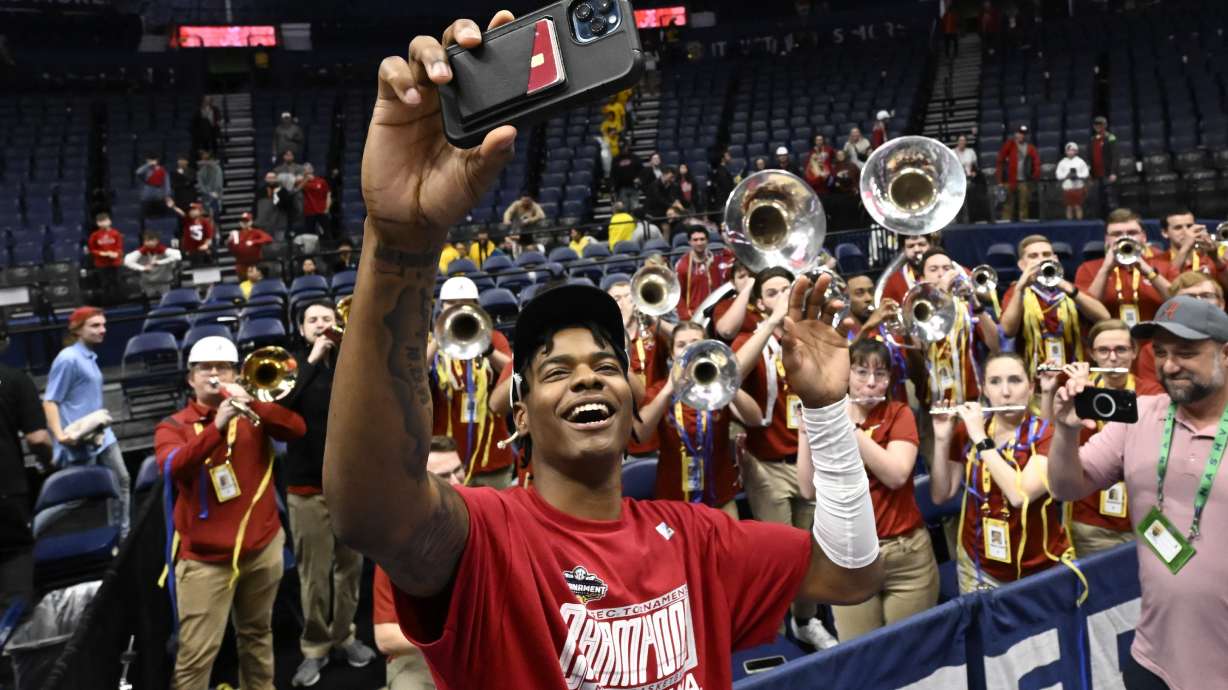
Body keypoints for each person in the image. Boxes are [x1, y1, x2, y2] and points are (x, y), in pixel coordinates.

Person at [324, 21, 883, 688]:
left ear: (629, 404)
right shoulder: (490, 538)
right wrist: (400, 242)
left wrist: (824, 408)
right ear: (522, 416)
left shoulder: (699, 539)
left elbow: (850, 574)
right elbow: (369, 507)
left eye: (606, 365)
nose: (588, 376)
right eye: (555, 371)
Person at [1048, 295, 1228, 690]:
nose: (1168, 365)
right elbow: (1066, 487)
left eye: (1186, 352)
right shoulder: (1138, 414)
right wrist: (1065, 430)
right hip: (1153, 661)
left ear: (1225, 354)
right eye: (1160, 352)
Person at [154, 336, 306, 690]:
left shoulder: (252, 415)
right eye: (205, 367)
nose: (214, 373)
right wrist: (217, 427)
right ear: (191, 378)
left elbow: (296, 429)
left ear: (236, 374)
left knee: (257, 636)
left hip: (262, 550)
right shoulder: (173, 426)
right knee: (196, 654)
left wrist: (252, 400)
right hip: (206, 562)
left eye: (222, 367)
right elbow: (172, 467)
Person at [800, 339, 938, 640]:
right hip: (849, 557)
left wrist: (847, 427)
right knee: (861, 658)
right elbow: (808, 490)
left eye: (881, 375)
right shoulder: (827, 419)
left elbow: (896, 475)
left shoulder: (899, 413)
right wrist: (806, 429)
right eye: (861, 372)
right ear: (847, 376)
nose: (871, 383)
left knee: (912, 655)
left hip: (906, 553)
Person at [732, 267, 840, 650]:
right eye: (772, 291)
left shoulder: (808, 336)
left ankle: (805, 620)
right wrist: (770, 326)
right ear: (760, 302)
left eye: (786, 290)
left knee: (810, 549)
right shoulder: (751, 339)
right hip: (767, 465)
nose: (780, 296)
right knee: (779, 555)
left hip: (808, 461)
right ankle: (773, 635)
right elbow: (731, 374)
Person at [280, 301, 377, 685]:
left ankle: (345, 635)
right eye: (313, 320)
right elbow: (282, 406)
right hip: (306, 489)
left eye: (328, 319)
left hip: (350, 488)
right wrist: (313, 359)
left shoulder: (353, 364)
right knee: (314, 577)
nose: (321, 325)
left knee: (349, 571)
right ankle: (315, 648)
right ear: (302, 330)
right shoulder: (291, 368)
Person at [931, 352, 1070, 592]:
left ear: (1030, 387)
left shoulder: (1046, 435)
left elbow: (1020, 497)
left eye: (1015, 380)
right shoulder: (968, 431)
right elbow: (941, 495)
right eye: (995, 382)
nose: (1005, 392)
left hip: (1040, 567)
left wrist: (980, 438)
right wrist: (942, 440)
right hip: (978, 567)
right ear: (984, 388)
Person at [633, 321, 765, 512]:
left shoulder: (719, 388)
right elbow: (640, 435)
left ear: (706, 348)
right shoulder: (660, 390)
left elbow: (755, 419)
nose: (689, 349)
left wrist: (728, 383)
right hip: (673, 501)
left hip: (720, 498)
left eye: (696, 342)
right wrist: (668, 390)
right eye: (681, 345)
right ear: (672, 353)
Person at [371, 435, 466, 690]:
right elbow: (385, 638)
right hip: (419, 658)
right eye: (445, 477)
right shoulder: (397, 547)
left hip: (474, 653)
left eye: (459, 472)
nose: (457, 483)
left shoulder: (486, 527)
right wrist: (457, 637)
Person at [42, 307, 130, 535]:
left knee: (121, 481)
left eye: (103, 324)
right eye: (95, 325)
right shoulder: (68, 359)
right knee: (77, 497)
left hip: (102, 434)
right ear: (78, 330)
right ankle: (33, 527)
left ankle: (123, 535)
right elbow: (50, 401)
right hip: (80, 438)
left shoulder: (89, 356)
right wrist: (60, 435)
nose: (103, 330)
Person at [426, 277, 517, 487]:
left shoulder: (493, 337)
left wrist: (489, 350)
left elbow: (516, 371)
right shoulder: (430, 342)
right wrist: (438, 338)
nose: (459, 308)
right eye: (452, 304)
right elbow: (412, 377)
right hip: (446, 462)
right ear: (442, 308)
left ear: (476, 306)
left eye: (466, 302)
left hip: (491, 455)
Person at [1000, 234, 1110, 377]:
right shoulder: (1016, 294)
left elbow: (1104, 317)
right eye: (1034, 256)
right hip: (1036, 379)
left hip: (1076, 379)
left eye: (1046, 254)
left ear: (1055, 259)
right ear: (1022, 265)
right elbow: (1008, 331)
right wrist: (1020, 289)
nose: (1042, 259)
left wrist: (1065, 285)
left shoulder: (1072, 290)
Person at [915, 248, 1000, 408]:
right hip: (933, 401)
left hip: (971, 399)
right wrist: (942, 291)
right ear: (922, 278)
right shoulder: (917, 308)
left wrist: (975, 302)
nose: (941, 274)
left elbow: (995, 345)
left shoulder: (966, 304)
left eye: (946, 268)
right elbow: (918, 345)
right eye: (934, 269)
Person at [0, 357, 52, 619]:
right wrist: (48, 462)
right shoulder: (14, 379)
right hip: (6, 489)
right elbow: (37, 439)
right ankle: (16, 646)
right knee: (14, 560)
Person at [1075, 208, 1171, 329]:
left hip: (1154, 343)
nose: (1125, 238)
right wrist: (1105, 270)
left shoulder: (1165, 265)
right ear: (1107, 240)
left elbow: (1177, 303)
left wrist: (1147, 270)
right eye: (1117, 234)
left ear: (1144, 237)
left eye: (1132, 233)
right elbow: (1086, 312)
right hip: (1110, 343)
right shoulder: (1087, 268)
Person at [675, 226, 732, 321]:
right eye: (695, 240)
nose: (699, 243)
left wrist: (728, 242)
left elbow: (732, 263)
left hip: (715, 313)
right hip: (694, 315)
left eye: (702, 239)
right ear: (689, 242)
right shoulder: (683, 265)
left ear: (707, 241)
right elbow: (678, 293)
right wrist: (686, 315)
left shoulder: (716, 261)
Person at [1160, 209, 1223, 284]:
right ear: (1165, 233)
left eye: (1189, 226)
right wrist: (1186, 247)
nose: (1187, 232)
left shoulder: (1211, 260)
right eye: (1178, 228)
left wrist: (1217, 260)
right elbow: (1164, 292)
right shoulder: (1154, 263)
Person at [879, 232, 940, 306]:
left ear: (931, 245)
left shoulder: (947, 270)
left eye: (921, 244)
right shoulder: (895, 280)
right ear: (903, 249)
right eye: (910, 246)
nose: (917, 250)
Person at [996, 125, 1041, 221]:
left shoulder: (1030, 148)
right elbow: (1000, 161)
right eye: (1019, 133)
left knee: (1024, 205)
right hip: (1009, 181)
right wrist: (999, 180)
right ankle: (1005, 225)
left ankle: (1023, 224)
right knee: (1007, 205)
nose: (1021, 135)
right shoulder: (1009, 145)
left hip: (1024, 181)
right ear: (1015, 134)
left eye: (1023, 134)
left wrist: (1034, 177)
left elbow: (1036, 162)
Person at [124, 230, 182, 300]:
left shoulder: (164, 250)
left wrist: (159, 262)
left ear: (157, 241)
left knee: (166, 302)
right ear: (144, 242)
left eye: (152, 240)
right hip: (148, 283)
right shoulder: (141, 252)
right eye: (147, 240)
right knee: (151, 303)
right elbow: (127, 261)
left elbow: (178, 256)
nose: (150, 243)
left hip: (164, 283)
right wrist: (143, 268)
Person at [87, 212, 123, 305]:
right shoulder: (94, 235)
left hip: (115, 263)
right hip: (102, 264)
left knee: (117, 283)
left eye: (105, 221)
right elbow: (92, 250)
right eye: (100, 221)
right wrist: (102, 253)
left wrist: (116, 253)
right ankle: (107, 304)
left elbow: (119, 247)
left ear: (109, 221)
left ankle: (119, 302)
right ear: (97, 223)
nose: (103, 223)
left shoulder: (116, 233)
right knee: (105, 284)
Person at [167, 200, 215, 266]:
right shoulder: (187, 220)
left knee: (204, 258)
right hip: (190, 249)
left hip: (201, 249)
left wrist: (206, 245)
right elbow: (181, 213)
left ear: (200, 211)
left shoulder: (205, 222)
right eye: (190, 210)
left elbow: (209, 236)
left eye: (194, 210)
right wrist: (173, 207)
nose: (191, 212)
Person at [227, 212, 274, 279]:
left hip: (255, 264)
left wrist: (254, 242)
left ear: (251, 222)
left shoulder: (256, 232)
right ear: (240, 223)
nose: (244, 223)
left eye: (246, 221)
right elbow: (233, 251)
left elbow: (269, 239)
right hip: (241, 265)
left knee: (256, 284)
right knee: (243, 285)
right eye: (242, 221)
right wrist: (229, 242)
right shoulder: (237, 234)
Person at [299, 163, 334, 244]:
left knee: (327, 233)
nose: (307, 170)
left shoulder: (321, 181)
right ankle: (312, 254)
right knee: (310, 235)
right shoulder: (302, 182)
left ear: (312, 169)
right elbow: (297, 189)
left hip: (322, 211)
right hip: (309, 213)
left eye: (308, 168)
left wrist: (327, 208)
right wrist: (305, 180)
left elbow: (328, 194)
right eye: (304, 169)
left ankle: (329, 251)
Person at [1090, 116, 1118, 214]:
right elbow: (1090, 156)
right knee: (1098, 199)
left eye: (1100, 124)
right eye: (1096, 125)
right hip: (1096, 174)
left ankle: (1114, 219)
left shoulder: (1110, 137)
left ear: (1105, 125)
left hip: (1107, 173)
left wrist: (1113, 172)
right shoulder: (1093, 139)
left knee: (1111, 199)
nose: (1098, 127)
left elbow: (1115, 156)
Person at [255, 171, 295, 239]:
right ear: (265, 179)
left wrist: (278, 199)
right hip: (265, 224)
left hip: (279, 223)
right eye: (269, 178)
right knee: (266, 243)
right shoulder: (260, 191)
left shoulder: (283, 191)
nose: (271, 179)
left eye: (273, 177)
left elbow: (289, 207)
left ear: (276, 179)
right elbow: (257, 207)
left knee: (279, 243)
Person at [1055, 142, 1090, 220]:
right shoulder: (1062, 162)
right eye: (1068, 150)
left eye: (1072, 150)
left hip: (1078, 188)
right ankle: (1069, 224)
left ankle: (1079, 223)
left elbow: (1086, 173)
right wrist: (1066, 176)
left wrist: (1078, 176)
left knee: (1078, 206)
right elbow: (1058, 175)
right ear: (1066, 151)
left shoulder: (1081, 162)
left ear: (1076, 151)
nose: (1070, 152)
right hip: (1067, 188)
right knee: (1069, 207)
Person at [136, 154, 171, 229]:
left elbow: (167, 184)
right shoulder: (146, 170)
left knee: (160, 217)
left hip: (159, 197)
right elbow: (138, 172)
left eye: (153, 160)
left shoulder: (162, 170)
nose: (151, 162)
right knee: (143, 217)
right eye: (149, 160)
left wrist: (167, 195)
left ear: (157, 161)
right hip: (146, 197)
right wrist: (147, 165)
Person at [952, 135, 977, 223]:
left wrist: (974, 172)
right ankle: (959, 221)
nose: (962, 142)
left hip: (969, 179)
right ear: (957, 142)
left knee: (970, 201)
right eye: (960, 140)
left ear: (966, 142)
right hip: (957, 181)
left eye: (963, 140)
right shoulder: (952, 152)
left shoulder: (971, 152)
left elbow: (975, 166)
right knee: (959, 202)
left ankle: (971, 220)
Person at [196, 149, 224, 220]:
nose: (207, 162)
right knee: (207, 218)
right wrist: (209, 193)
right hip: (206, 197)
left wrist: (216, 193)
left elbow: (219, 183)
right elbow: (201, 185)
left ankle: (216, 229)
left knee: (215, 217)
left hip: (216, 196)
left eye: (208, 159)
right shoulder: (201, 172)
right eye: (205, 160)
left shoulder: (218, 169)